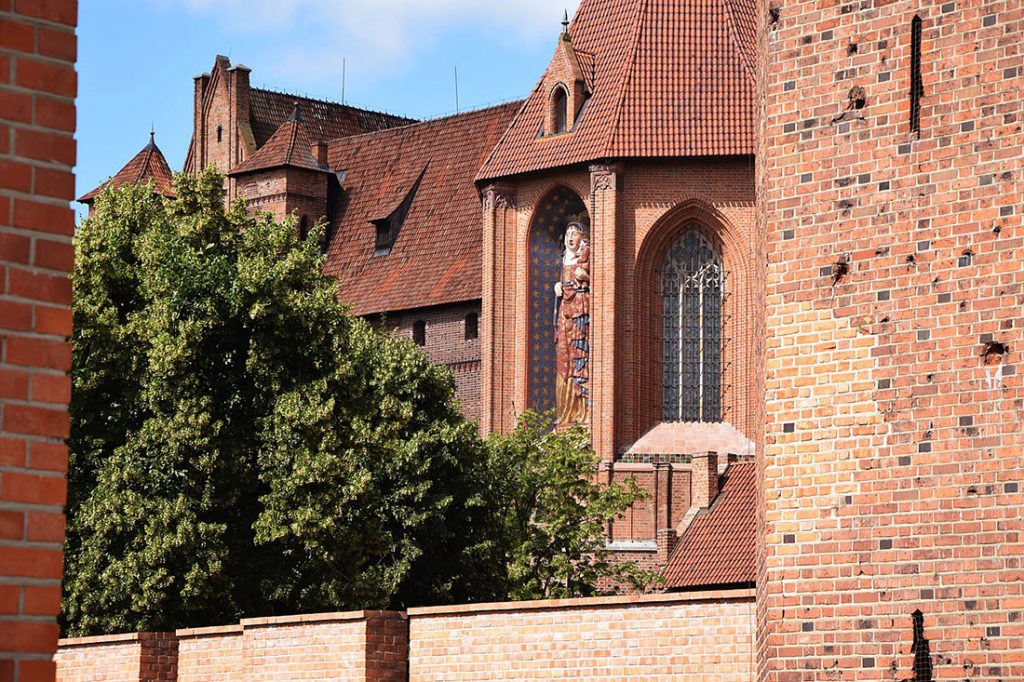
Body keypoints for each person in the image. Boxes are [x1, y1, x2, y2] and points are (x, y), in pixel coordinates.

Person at [553, 222, 590, 429]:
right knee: (563, 357)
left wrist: (586, 277)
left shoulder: (586, 259)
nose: (570, 237)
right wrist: (558, 286)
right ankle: (565, 414)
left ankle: (583, 412)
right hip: (564, 315)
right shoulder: (563, 262)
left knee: (580, 357)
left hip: (579, 312)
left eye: (574, 233)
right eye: (567, 233)